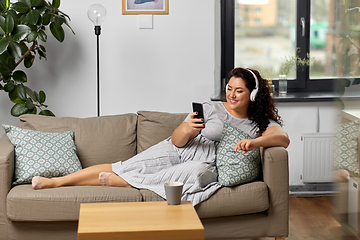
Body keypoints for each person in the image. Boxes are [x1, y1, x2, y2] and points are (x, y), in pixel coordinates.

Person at [32, 67, 290, 205]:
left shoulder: (258, 124)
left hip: (204, 161)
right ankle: (56, 182)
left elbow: (282, 138)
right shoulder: (211, 108)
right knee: (122, 166)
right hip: (181, 148)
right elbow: (177, 140)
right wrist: (188, 129)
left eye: (239, 91)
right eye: (229, 89)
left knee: (191, 174)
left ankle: (124, 181)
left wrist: (254, 142)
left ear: (252, 95)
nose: (232, 95)